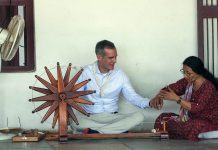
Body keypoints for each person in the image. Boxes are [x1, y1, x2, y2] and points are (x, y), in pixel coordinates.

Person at [70, 40, 153, 134]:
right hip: (90, 117)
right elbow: (73, 96)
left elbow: (132, 97)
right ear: (99, 57)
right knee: (74, 122)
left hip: (113, 117)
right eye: (111, 58)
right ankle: (115, 130)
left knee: (139, 117)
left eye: (115, 57)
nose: (115, 61)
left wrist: (149, 103)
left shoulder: (120, 74)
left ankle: (97, 133)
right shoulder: (85, 72)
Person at [151, 56, 218, 141]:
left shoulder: (208, 87)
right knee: (163, 118)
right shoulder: (187, 81)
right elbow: (171, 88)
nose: (185, 76)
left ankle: (203, 133)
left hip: (206, 121)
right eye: (183, 72)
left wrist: (177, 99)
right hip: (189, 119)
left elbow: (196, 108)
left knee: (195, 126)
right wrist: (158, 96)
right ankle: (181, 132)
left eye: (188, 73)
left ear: (198, 72)